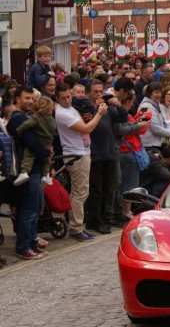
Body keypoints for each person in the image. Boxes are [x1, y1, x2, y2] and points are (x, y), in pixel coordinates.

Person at [54, 82, 107, 242]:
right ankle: (76, 227)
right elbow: (86, 129)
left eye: (68, 97)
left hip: (82, 152)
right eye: (63, 98)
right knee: (79, 192)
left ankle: (78, 226)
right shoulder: (62, 113)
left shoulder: (70, 108)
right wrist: (99, 114)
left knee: (82, 191)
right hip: (76, 154)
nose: (67, 100)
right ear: (57, 98)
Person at [7, 87, 52, 258]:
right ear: (17, 99)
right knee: (28, 210)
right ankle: (23, 247)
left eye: (32, 98)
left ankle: (32, 243)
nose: (31, 101)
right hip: (28, 170)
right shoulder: (18, 119)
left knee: (34, 210)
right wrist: (47, 153)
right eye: (27, 98)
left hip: (37, 169)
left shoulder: (27, 117)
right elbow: (31, 142)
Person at [13, 96, 56, 186]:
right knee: (46, 160)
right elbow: (54, 131)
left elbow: (27, 125)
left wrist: (19, 130)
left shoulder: (36, 117)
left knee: (29, 155)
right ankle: (46, 175)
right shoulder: (52, 119)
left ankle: (24, 172)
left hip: (39, 141)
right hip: (48, 142)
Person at [139, 82, 170, 151]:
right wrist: (169, 132)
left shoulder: (155, 105)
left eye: (160, 92)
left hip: (155, 145)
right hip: (149, 146)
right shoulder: (146, 106)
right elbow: (155, 128)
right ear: (149, 93)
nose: (159, 95)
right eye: (156, 92)